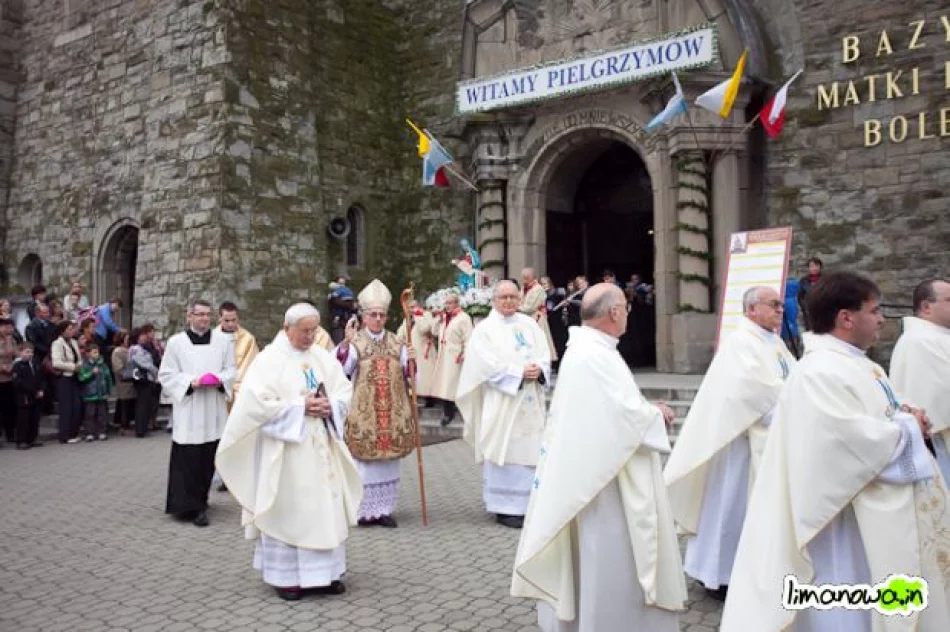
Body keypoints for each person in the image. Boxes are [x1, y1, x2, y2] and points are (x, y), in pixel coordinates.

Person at [721, 271, 950, 631]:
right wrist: (908, 427)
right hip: (843, 519)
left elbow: (878, 409)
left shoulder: (859, 362)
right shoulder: (820, 371)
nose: (881, 320)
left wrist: (905, 411)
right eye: (874, 311)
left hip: (868, 511)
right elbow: (846, 442)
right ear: (846, 318)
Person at [511, 283, 686, 631]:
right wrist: (654, 416)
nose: (628, 314)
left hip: (597, 474)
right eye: (626, 307)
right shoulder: (592, 355)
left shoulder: (591, 349)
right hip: (603, 488)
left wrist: (644, 409)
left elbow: (610, 409)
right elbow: (617, 419)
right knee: (609, 564)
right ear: (615, 312)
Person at [216, 303, 363, 601]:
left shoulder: (321, 357)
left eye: (314, 330)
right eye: (305, 331)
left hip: (320, 445)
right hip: (286, 452)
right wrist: (300, 407)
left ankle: (326, 574)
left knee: (324, 509)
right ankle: (288, 578)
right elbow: (255, 406)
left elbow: (343, 389)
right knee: (292, 510)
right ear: (287, 328)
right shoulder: (269, 360)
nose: (310, 336)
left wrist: (330, 406)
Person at [663, 286, 796, 601]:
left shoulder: (775, 342)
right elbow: (748, 392)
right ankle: (718, 575)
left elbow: (795, 378)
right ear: (752, 309)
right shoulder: (740, 343)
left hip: (767, 441)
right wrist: (793, 404)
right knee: (729, 509)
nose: (781, 309)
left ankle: (754, 572)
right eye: (774, 304)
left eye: (781, 304)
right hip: (738, 444)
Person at [457, 280, 552, 529]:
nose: (509, 301)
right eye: (503, 297)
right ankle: (505, 507)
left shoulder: (529, 324)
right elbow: (483, 365)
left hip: (530, 399)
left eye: (513, 297)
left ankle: (530, 504)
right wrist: (518, 372)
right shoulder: (485, 330)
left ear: (520, 298)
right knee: (506, 449)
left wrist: (539, 369)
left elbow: (544, 353)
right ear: (494, 300)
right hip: (503, 401)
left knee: (531, 448)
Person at [334, 279, 417, 528]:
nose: (378, 319)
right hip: (366, 413)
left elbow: (411, 377)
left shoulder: (398, 342)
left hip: (393, 412)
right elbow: (341, 371)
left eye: (382, 315)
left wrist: (412, 362)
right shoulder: (356, 341)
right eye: (373, 315)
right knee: (365, 467)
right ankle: (362, 511)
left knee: (389, 465)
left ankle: (384, 511)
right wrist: (346, 344)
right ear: (364, 316)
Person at [158, 299, 236, 528]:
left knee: (206, 458)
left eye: (207, 315)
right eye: (199, 314)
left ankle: (201, 500)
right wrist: (191, 382)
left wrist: (219, 379)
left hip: (212, 408)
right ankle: (188, 505)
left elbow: (232, 369)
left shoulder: (222, 341)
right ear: (189, 316)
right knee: (188, 459)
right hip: (190, 410)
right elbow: (166, 375)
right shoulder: (176, 343)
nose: (204, 319)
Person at [890, 278, 950, 485]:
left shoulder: (936, 337)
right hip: (940, 439)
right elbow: (943, 392)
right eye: (949, 300)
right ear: (926, 307)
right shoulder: (921, 340)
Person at [213, 301, 259, 492]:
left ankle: (237, 477)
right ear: (220, 318)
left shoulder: (247, 339)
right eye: (227, 320)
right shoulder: (212, 338)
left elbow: (251, 366)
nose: (231, 324)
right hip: (216, 393)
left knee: (238, 436)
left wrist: (233, 386)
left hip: (238, 393)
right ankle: (221, 475)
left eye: (234, 320)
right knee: (218, 436)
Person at [430, 291, 473, 427]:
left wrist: (465, 354)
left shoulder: (463, 318)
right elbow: (434, 332)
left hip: (456, 357)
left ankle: (451, 413)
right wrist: (438, 318)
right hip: (444, 356)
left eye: (449, 303)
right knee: (445, 385)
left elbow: (469, 338)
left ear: (456, 303)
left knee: (452, 385)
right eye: (446, 303)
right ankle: (447, 411)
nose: (446, 306)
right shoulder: (445, 318)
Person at [396, 299, 438, 403]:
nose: (412, 310)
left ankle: (430, 398)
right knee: (415, 375)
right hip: (413, 351)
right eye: (410, 308)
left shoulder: (425, 315)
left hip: (424, 351)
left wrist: (418, 316)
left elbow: (425, 328)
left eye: (413, 307)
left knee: (427, 375)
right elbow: (400, 335)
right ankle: (417, 396)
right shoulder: (407, 319)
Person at [50, 320, 83, 444]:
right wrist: (72, 366)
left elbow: (78, 358)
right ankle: (64, 435)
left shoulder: (74, 342)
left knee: (76, 406)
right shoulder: (57, 344)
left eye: (73, 329)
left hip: (75, 377)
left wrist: (79, 365)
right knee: (66, 407)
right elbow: (56, 362)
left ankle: (73, 433)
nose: (72, 331)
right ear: (62, 330)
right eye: (69, 329)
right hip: (64, 377)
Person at [519, 268, 557, 363]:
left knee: (539, 343)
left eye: (526, 277)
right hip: (525, 319)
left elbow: (530, 307)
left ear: (532, 277)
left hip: (536, 319)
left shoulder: (538, 289)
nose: (524, 279)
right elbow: (519, 299)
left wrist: (516, 307)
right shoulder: (523, 288)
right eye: (523, 277)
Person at [129, 327, 160, 438]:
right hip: (142, 378)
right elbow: (144, 363)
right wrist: (155, 371)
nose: (144, 337)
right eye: (142, 335)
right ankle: (141, 429)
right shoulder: (136, 349)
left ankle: (143, 427)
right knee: (142, 404)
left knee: (146, 404)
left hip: (147, 378)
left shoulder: (142, 348)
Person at [12, 342, 44, 449]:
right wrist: (33, 391)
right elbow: (18, 383)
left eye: (31, 352)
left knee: (34, 418)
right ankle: (21, 440)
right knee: (23, 419)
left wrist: (41, 389)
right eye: (27, 352)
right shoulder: (18, 366)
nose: (30, 354)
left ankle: (32, 439)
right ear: (20, 352)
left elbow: (41, 378)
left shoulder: (35, 364)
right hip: (24, 396)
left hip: (36, 395)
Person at [77, 343, 112, 442]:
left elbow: (107, 376)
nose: (97, 354)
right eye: (94, 352)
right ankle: (89, 433)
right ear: (88, 354)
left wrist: (108, 389)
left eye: (97, 352)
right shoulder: (84, 364)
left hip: (101, 393)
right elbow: (81, 377)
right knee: (90, 415)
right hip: (90, 394)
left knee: (102, 414)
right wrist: (91, 373)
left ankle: (102, 432)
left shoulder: (102, 364)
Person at [111, 330, 136, 437]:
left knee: (130, 403)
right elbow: (118, 368)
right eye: (126, 338)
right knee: (124, 404)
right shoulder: (117, 352)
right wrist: (127, 374)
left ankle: (128, 424)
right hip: (123, 381)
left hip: (131, 380)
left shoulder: (129, 350)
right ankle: (123, 426)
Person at [796, 256, 823, 331]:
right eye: (811, 266)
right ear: (808, 268)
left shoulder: (826, 279)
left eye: (816, 266)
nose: (814, 268)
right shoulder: (804, 281)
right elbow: (800, 297)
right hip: (809, 312)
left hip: (823, 310)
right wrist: (805, 307)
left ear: (820, 267)